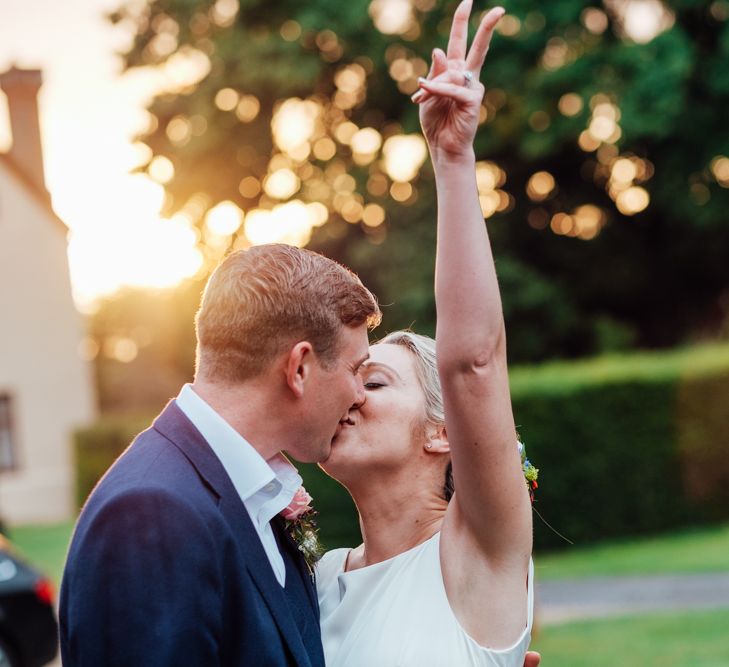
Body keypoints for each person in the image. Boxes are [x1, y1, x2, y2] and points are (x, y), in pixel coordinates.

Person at [315, 3, 537, 666]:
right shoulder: (315, 578)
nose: (345, 393)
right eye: (346, 375)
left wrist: (452, 159)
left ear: (442, 431)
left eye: (374, 379)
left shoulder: (475, 554)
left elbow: (471, 362)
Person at [59, 243, 381, 666]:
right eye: (356, 370)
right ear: (299, 368)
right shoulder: (150, 514)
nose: (359, 395)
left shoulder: (258, 498)